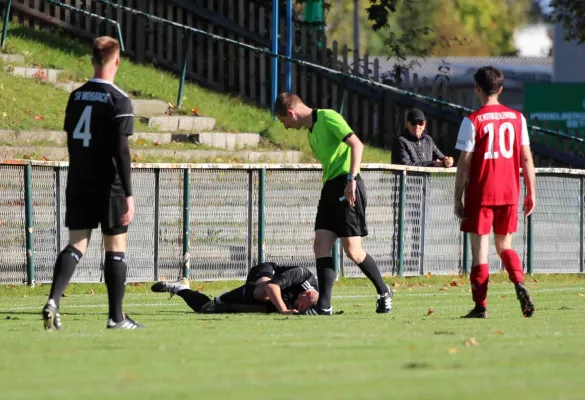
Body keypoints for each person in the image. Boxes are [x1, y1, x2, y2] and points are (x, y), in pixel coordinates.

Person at [41, 36, 143, 330]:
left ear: (92, 60)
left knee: (77, 244)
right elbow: (121, 151)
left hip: (79, 180)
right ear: (117, 61)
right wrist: (129, 194)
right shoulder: (119, 100)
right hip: (109, 184)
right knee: (115, 247)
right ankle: (116, 317)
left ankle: (53, 301)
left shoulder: (76, 96)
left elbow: (72, 139)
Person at [273, 93, 392, 316]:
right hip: (330, 188)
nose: (286, 127)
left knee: (353, 251)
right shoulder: (311, 132)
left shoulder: (328, 117)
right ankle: (324, 305)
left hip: (347, 185)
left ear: (291, 113)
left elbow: (357, 144)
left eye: (284, 121)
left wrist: (351, 179)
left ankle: (384, 290)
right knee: (321, 244)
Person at [454, 66, 536, 319]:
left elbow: (465, 163)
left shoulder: (473, 120)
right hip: (510, 191)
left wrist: (457, 197)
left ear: (477, 88)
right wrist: (531, 192)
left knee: (480, 249)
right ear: (500, 89)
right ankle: (519, 282)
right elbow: (525, 157)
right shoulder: (517, 118)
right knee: (504, 245)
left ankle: (480, 306)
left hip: (481, 193)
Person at [151, 262, 319, 314]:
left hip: (270, 295)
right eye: (302, 306)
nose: (300, 309)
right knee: (265, 291)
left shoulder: (311, 301)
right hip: (266, 273)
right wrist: (283, 309)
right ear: (308, 293)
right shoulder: (302, 275)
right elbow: (273, 286)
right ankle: (222, 298)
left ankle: (180, 288)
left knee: (210, 310)